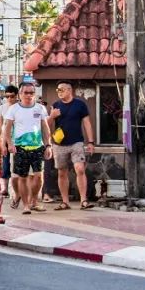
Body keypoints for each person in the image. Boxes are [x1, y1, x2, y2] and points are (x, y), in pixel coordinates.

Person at [2, 82, 53, 215]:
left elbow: (45, 128)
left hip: (37, 147)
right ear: (20, 94)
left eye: (31, 92)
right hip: (20, 148)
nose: (29, 95)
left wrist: (48, 145)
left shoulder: (40, 108)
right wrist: (9, 144)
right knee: (22, 178)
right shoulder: (13, 109)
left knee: (38, 177)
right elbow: (7, 129)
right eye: (26, 92)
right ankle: (26, 205)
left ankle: (34, 200)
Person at [50, 82, 96, 210]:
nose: (59, 91)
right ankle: (65, 202)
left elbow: (87, 123)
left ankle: (84, 200)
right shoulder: (56, 105)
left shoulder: (80, 104)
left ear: (69, 90)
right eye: (57, 89)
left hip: (77, 142)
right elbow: (46, 125)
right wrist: (51, 116)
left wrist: (91, 142)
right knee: (62, 173)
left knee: (80, 169)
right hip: (59, 143)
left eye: (61, 89)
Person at [0, 85, 21, 208]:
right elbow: (0, 124)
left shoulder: (19, 107)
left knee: (16, 167)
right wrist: (1, 142)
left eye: (12, 96)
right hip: (5, 139)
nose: (9, 99)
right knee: (5, 164)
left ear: (16, 96)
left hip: (17, 139)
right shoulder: (2, 107)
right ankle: (5, 189)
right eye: (7, 96)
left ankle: (16, 193)